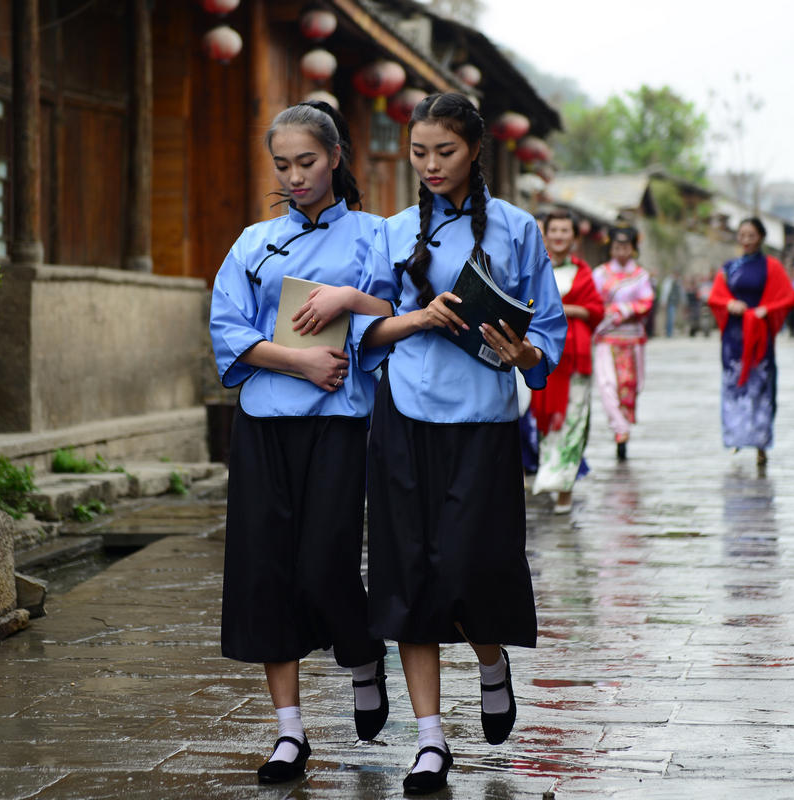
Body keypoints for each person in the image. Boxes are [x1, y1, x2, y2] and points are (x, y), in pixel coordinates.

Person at [356, 92, 566, 795]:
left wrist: (522, 354)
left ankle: (491, 661)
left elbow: (550, 333)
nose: (430, 165)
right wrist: (416, 318)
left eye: (444, 151)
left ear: (476, 150)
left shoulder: (516, 228)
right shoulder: (388, 233)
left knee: (473, 567)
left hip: (483, 420)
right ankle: (429, 740)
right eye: (419, 153)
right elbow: (364, 335)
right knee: (409, 572)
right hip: (404, 418)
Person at [207, 101, 393, 785]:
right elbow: (228, 327)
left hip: (339, 423)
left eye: (307, 162)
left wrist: (346, 298)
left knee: (325, 561)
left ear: (336, 156)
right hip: (264, 425)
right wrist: (301, 361)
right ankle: (289, 733)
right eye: (282, 165)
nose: (295, 177)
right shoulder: (253, 241)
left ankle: (362, 649)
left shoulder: (377, 235)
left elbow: (403, 311)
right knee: (263, 575)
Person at [707, 218, 794, 466]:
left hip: (759, 336)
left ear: (761, 237)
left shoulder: (772, 266)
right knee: (734, 386)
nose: (746, 240)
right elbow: (715, 296)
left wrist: (766, 309)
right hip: (734, 337)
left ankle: (760, 443)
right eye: (742, 235)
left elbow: (789, 297)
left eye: (751, 235)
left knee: (760, 386)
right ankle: (737, 436)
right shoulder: (729, 267)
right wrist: (729, 304)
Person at [530, 209, 603, 513]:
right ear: (544, 233)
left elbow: (595, 311)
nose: (559, 236)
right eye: (554, 230)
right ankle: (548, 475)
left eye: (565, 231)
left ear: (574, 236)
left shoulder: (583, 271)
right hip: (541, 355)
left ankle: (565, 488)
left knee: (573, 420)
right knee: (546, 419)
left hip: (576, 356)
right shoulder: (534, 268)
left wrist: (563, 310)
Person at [592, 227, 654, 461]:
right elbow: (594, 302)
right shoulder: (600, 274)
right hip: (606, 337)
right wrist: (610, 314)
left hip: (632, 337)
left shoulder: (641, 276)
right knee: (607, 384)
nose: (621, 251)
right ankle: (620, 428)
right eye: (617, 247)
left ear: (633, 248)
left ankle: (623, 424)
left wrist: (621, 310)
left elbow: (646, 301)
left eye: (626, 246)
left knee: (630, 385)